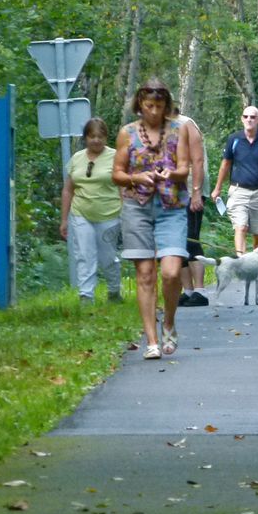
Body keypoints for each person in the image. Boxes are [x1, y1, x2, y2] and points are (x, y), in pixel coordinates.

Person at [112, 79, 191, 360]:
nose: (154, 111)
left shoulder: (178, 130)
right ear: (139, 105)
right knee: (145, 274)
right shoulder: (127, 133)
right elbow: (117, 173)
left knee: (170, 272)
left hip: (171, 205)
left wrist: (172, 174)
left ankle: (168, 321)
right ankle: (152, 340)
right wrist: (136, 177)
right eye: (148, 106)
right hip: (137, 207)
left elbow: (184, 166)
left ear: (166, 106)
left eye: (159, 106)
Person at [59, 118, 122, 304]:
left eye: (100, 136)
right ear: (86, 137)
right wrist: (64, 219)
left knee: (108, 258)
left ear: (106, 137)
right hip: (81, 214)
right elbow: (68, 190)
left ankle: (114, 291)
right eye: (92, 136)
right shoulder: (77, 159)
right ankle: (86, 296)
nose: (96, 140)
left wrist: (127, 213)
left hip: (109, 214)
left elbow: (123, 188)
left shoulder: (116, 157)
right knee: (84, 255)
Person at [210, 106, 258, 255]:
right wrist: (217, 188)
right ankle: (241, 263)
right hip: (238, 190)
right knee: (240, 226)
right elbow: (225, 165)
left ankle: (255, 264)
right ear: (242, 119)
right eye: (246, 116)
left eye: (253, 117)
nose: (249, 119)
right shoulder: (234, 139)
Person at [175, 111, 209, 307]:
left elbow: (198, 161)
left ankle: (200, 290)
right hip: (172, 193)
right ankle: (187, 290)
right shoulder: (163, 126)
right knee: (178, 242)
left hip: (190, 189)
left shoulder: (186, 123)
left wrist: (196, 192)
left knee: (191, 238)